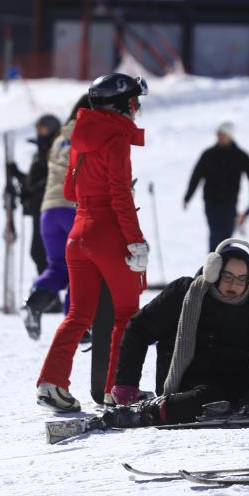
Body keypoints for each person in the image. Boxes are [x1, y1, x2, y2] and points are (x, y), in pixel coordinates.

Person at [36, 73, 149, 412]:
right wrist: (135, 241)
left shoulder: (79, 133)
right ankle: (119, 389)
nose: (137, 109)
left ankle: (51, 382)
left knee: (78, 313)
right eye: (135, 103)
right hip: (107, 231)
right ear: (124, 105)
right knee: (127, 312)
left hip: (78, 230)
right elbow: (118, 194)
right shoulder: (116, 137)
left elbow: (70, 191)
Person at [98, 240, 249, 428]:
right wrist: (127, 383)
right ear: (214, 271)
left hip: (236, 380)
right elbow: (138, 330)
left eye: (241, 279)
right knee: (209, 396)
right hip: (189, 382)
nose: (233, 285)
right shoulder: (185, 293)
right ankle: (148, 412)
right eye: (227, 276)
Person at [22, 95, 90, 338]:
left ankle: (34, 303)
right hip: (73, 209)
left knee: (58, 266)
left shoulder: (59, 139)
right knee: (82, 266)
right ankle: (78, 325)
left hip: (48, 211)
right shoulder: (89, 135)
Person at [184, 122, 249, 252]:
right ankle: (212, 265)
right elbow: (196, 176)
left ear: (230, 136)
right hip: (211, 200)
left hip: (230, 201)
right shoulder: (208, 154)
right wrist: (188, 197)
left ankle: (225, 265)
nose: (219, 137)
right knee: (215, 233)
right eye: (218, 134)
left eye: (223, 135)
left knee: (227, 235)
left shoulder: (239, 155)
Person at [8, 114, 63, 276]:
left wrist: (33, 191)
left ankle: (51, 292)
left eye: (43, 129)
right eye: (38, 129)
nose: (39, 133)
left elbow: (53, 179)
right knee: (37, 253)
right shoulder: (39, 153)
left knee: (46, 253)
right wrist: (17, 175)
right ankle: (46, 291)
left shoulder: (59, 151)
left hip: (52, 208)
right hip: (38, 208)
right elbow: (33, 182)